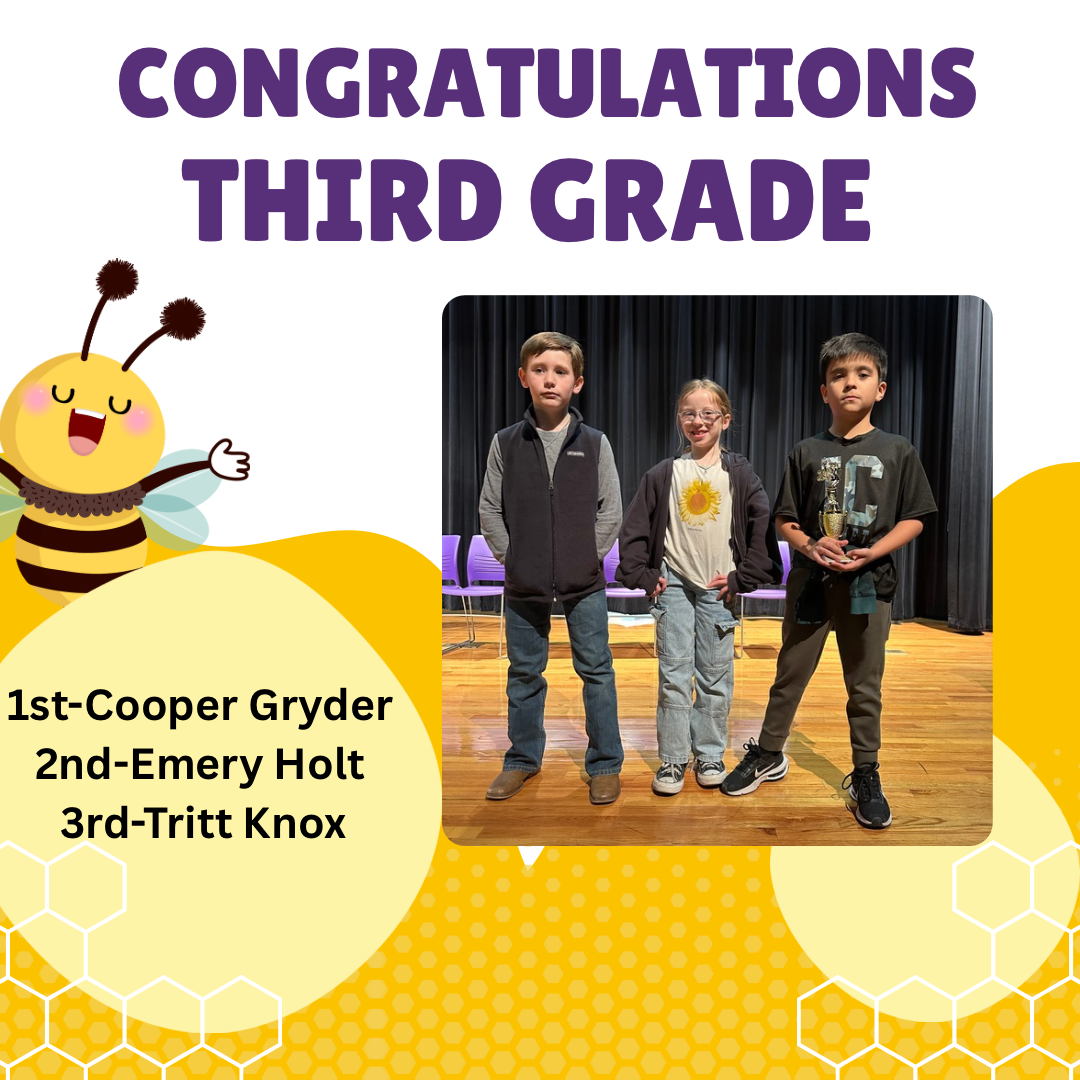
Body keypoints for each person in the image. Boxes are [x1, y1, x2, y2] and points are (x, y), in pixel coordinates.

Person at [720, 333, 937, 830]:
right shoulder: (806, 450)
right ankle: (769, 753)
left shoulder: (898, 450)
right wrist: (808, 544)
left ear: (881, 387)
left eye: (861, 375)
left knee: (864, 687)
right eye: (838, 376)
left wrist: (872, 552)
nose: (849, 384)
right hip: (811, 586)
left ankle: (865, 771)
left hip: (868, 587)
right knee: (788, 676)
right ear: (824, 391)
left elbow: (916, 516)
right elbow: (785, 518)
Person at [479, 331, 624, 805]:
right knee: (524, 674)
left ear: (577, 383)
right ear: (524, 377)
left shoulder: (596, 443)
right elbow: (489, 509)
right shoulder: (505, 443)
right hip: (525, 583)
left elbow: (611, 511)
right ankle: (521, 759)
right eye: (540, 370)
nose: (550, 379)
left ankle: (604, 764)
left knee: (597, 671)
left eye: (561, 371)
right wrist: (514, 558)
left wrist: (586, 557)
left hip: (585, 584)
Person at [617, 379, 780, 795]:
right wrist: (643, 574)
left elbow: (762, 529)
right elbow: (634, 529)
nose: (698, 421)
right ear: (679, 420)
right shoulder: (663, 473)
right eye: (689, 413)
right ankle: (673, 759)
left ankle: (709, 753)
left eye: (708, 414)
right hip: (674, 587)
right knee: (673, 675)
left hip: (717, 591)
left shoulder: (739, 474)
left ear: (724, 420)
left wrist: (743, 577)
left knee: (714, 676)